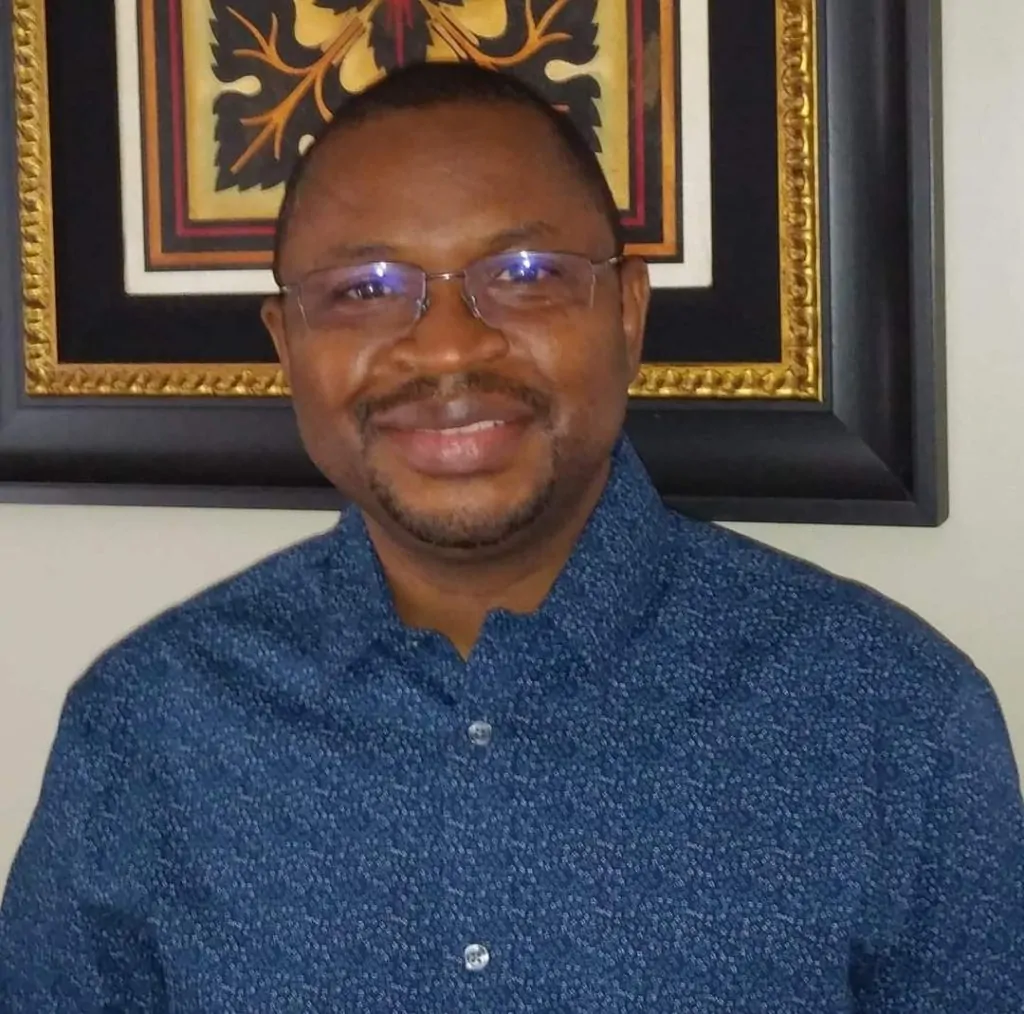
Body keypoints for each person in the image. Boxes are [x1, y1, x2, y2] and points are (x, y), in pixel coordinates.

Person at [1, 61, 1022, 1013]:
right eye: (364, 290)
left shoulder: (890, 718)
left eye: (524, 272)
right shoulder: (147, 728)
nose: (447, 346)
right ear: (287, 345)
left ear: (627, 313)